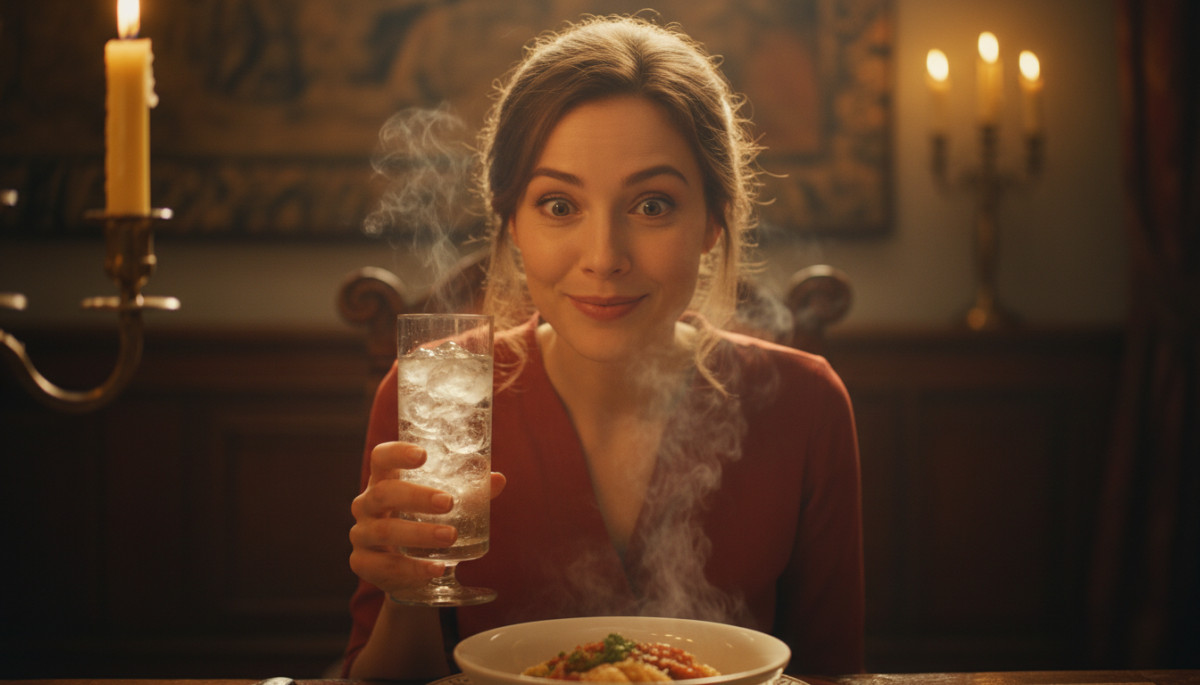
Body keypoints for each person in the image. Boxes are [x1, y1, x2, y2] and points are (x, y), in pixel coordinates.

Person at [343, 14, 864, 679]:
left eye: (651, 205)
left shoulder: (805, 402)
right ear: (512, 222)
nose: (604, 257)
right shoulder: (435, 393)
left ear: (712, 220)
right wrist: (404, 589)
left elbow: (833, 673)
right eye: (559, 205)